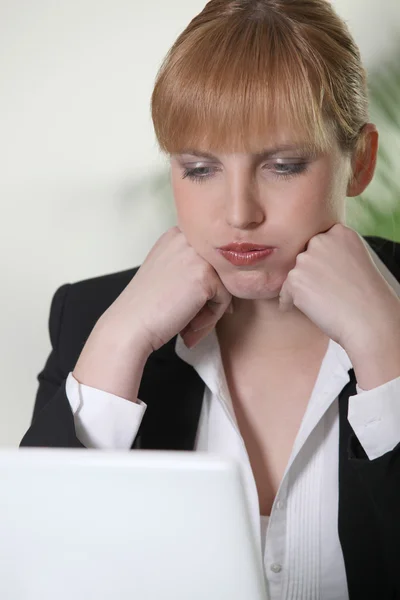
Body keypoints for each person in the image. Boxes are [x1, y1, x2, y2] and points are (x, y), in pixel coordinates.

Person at [20, 0, 400, 598]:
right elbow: (35, 575)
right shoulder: (92, 317)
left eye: (284, 165)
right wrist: (119, 343)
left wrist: (388, 351)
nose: (239, 213)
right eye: (200, 169)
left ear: (361, 161)